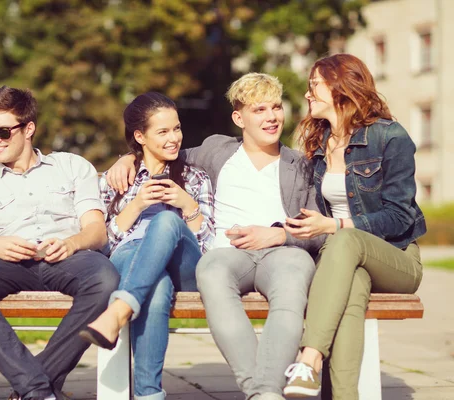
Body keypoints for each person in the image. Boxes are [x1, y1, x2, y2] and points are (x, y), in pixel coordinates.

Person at [105, 73, 325, 400]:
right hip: (225, 255)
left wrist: (278, 235)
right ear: (239, 118)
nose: (272, 117)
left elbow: (317, 232)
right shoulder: (216, 151)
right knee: (212, 272)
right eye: (260, 109)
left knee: (291, 290)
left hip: (283, 253)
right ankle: (265, 392)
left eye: (276, 107)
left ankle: (263, 392)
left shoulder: (300, 165)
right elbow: (163, 149)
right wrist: (128, 157)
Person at [0, 86, 119, 400]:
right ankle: (39, 389)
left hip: (67, 257)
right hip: (5, 263)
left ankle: (32, 387)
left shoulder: (72, 167)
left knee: (105, 278)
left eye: (3, 131)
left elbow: (96, 230)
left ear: (29, 129)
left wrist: (72, 243)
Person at [282, 54, 425, 399]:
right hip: (348, 262)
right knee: (351, 292)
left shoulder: (389, 137)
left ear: (340, 87)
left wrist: (335, 225)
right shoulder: (319, 144)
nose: (307, 94)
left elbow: (400, 217)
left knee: (345, 239)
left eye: (314, 85)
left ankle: (309, 357)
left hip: (397, 257)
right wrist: (137, 154)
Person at [78, 92, 215, 400]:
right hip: (129, 260)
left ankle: (118, 311)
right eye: (163, 131)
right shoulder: (115, 181)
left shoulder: (194, 177)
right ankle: (148, 394)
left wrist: (187, 205)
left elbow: (209, 247)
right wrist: (136, 206)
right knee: (156, 286)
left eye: (176, 128)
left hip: (186, 266)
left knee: (165, 223)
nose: (174, 138)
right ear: (139, 136)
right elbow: (102, 246)